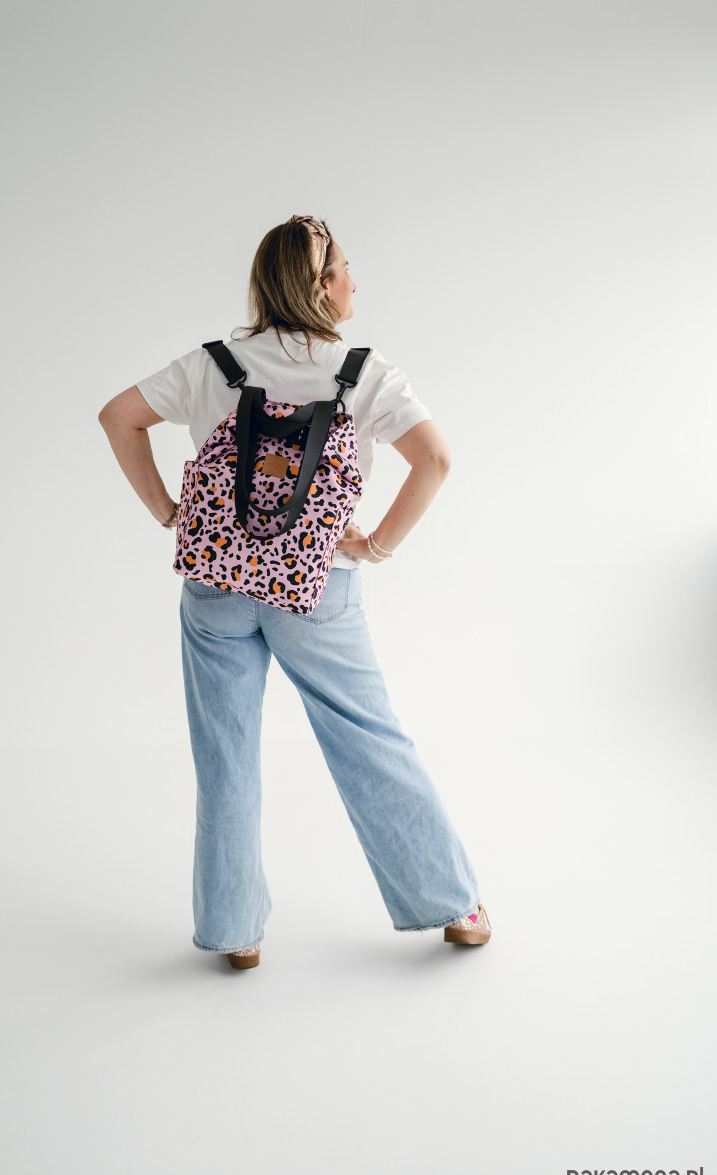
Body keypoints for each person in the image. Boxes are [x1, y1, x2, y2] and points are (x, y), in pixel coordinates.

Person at [98, 214, 491, 970]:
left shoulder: (213, 364)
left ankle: (234, 931)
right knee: (367, 738)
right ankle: (451, 904)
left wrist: (168, 513)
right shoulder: (362, 372)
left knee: (224, 755)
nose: (354, 284)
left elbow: (119, 418)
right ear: (317, 284)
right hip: (317, 586)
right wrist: (373, 546)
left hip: (215, 583)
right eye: (343, 270)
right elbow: (435, 460)